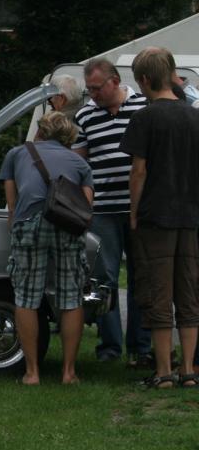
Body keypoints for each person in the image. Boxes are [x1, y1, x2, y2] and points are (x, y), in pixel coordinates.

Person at [123, 47, 199, 388]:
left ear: (143, 80)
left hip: (156, 217)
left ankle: (164, 372)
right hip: (191, 217)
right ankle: (189, 371)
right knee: (188, 293)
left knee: (158, 293)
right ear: (169, 74)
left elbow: (138, 171)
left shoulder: (144, 118)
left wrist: (133, 212)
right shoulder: (195, 117)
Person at [0, 112, 94, 385]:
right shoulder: (79, 162)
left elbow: (12, 203)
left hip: (29, 224)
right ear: (68, 137)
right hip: (67, 225)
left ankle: (32, 373)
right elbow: (87, 205)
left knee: (27, 298)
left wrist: (14, 222)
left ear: (40, 131)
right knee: (71, 298)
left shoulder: (17, 154)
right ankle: (68, 373)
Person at [73, 58, 152, 366]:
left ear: (115, 82)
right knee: (103, 278)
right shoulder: (85, 115)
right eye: (89, 89)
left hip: (140, 207)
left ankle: (140, 347)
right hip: (103, 209)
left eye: (97, 88)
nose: (93, 94)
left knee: (141, 276)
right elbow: (79, 161)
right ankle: (109, 346)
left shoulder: (144, 106)